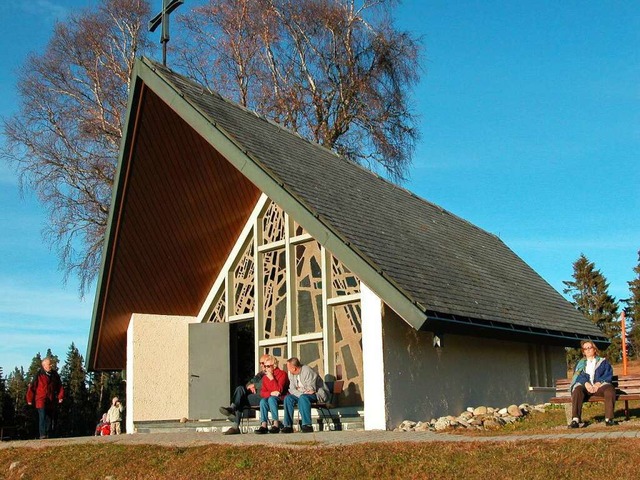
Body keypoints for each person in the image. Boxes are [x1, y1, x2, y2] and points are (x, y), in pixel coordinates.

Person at [568, 340, 617, 428]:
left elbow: (608, 374)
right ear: (583, 352)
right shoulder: (579, 364)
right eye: (585, 349)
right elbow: (578, 376)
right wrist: (586, 383)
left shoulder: (603, 362)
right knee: (577, 390)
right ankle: (575, 420)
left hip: (599, 387)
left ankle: (609, 419)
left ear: (594, 349)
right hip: (585, 387)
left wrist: (598, 383)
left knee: (610, 390)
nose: (588, 350)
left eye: (589, 348)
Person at [219, 354, 270, 435]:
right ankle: (232, 408)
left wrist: (255, 385)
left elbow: (270, 384)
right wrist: (250, 386)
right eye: (260, 363)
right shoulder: (260, 374)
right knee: (240, 389)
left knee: (241, 399)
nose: (261, 365)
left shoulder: (271, 373)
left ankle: (235, 424)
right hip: (253, 396)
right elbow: (248, 384)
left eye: (262, 363)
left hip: (262, 397)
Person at [281, 357, 329, 433]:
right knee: (288, 398)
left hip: (318, 394)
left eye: (288, 368)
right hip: (303, 395)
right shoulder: (292, 375)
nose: (288, 370)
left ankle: (307, 425)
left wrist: (299, 389)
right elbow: (292, 389)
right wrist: (301, 391)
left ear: (294, 368)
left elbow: (311, 389)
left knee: (303, 398)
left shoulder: (307, 371)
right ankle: (288, 426)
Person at [26, 357, 64, 439]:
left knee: (49, 417)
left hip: (51, 399)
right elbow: (32, 387)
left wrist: (60, 396)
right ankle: (42, 434)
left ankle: (49, 434)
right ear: (44, 366)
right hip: (40, 399)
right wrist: (29, 399)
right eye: (49, 364)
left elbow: (60, 386)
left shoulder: (55, 375)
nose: (51, 365)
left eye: (51, 364)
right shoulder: (39, 375)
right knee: (42, 416)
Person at [255, 355, 289, 434]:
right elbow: (262, 392)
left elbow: (278, 391)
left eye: (268, 366)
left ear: (274, 366)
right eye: (265, 366)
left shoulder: (282, 374)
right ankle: (264, 424)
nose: (265, 368)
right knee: (263, 401)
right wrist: (270, 393)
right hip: (270, 397)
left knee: (271, 399)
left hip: (282, 397)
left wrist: (272, 378)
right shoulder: (265, 377)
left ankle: (275, 424)